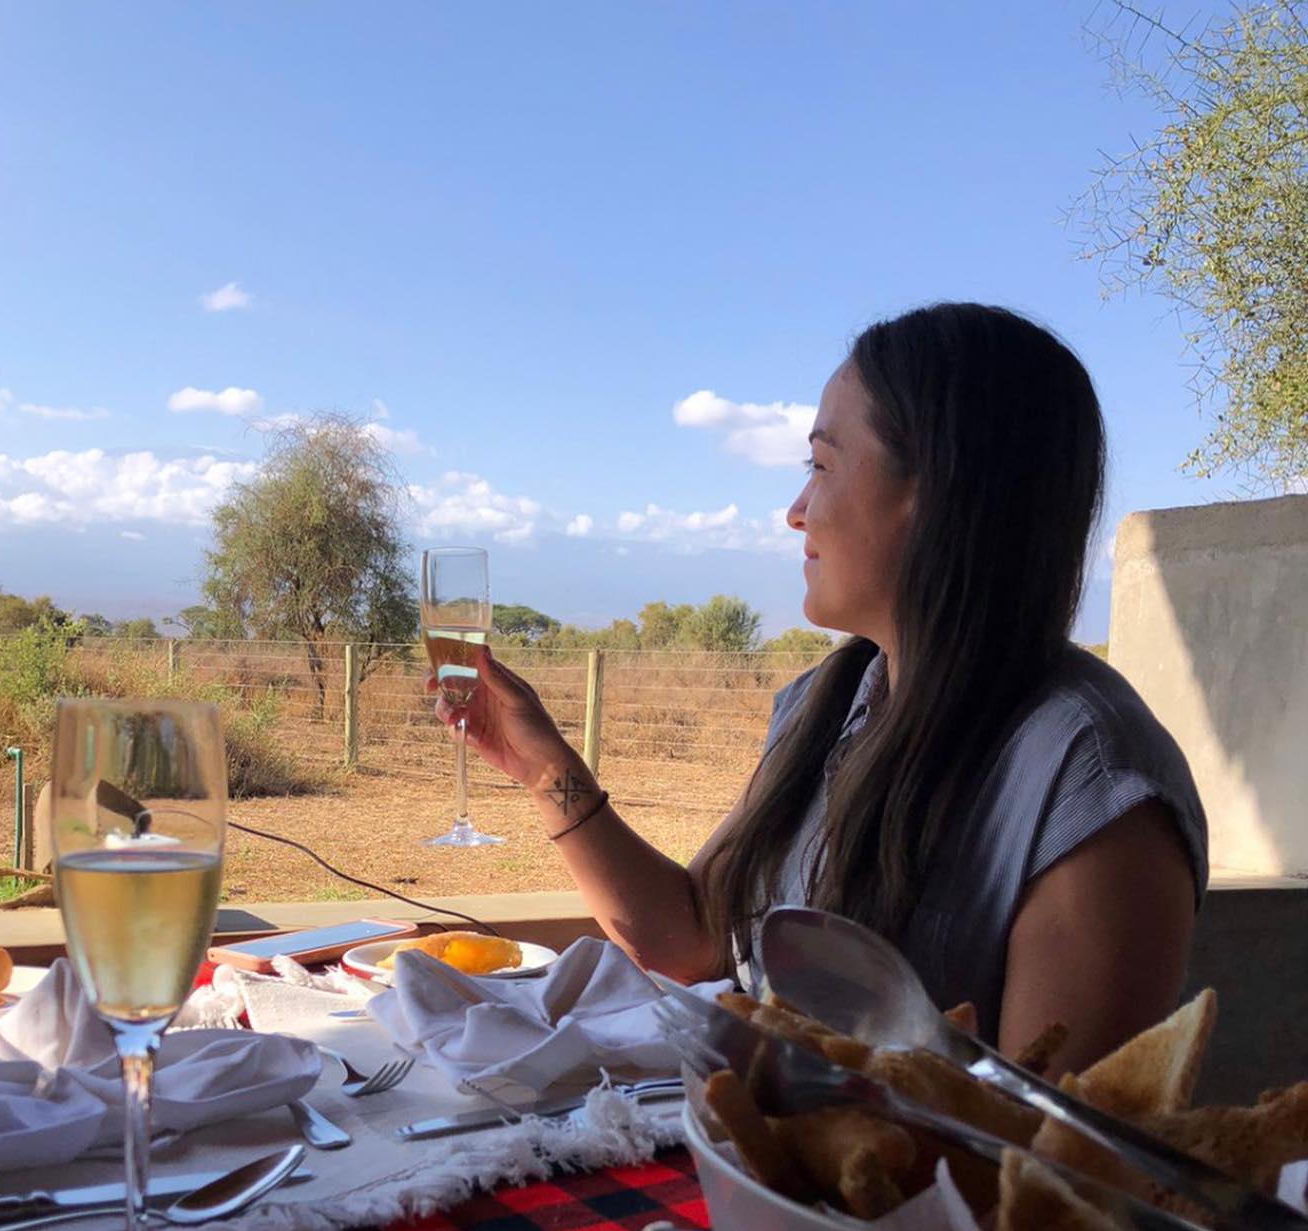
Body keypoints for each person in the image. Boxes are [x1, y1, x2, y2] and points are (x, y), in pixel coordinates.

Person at [433, 303, 1207, 1075]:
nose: (796, 511)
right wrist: (544, 770)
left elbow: (1050, 1163)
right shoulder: (826, 705)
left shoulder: (1089, 785)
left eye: (822, 465)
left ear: (935, 490)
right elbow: (687, 939)